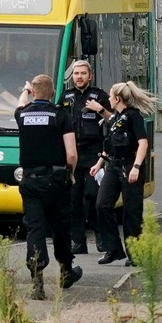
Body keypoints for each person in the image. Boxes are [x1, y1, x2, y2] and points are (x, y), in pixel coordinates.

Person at [14, 73, 83, 300]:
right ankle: (66, 272)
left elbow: (21, 104)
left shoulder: (22, 115)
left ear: (34, 93)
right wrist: (71, 174)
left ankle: (37, 282)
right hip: (56, 181)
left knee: (35, 229)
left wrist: (25, 91)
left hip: (30, 182)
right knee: (61, 227)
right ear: (53, 93)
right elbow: (71, 153)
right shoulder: (60, 115)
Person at [93, 81, 154, 264]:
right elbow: (110, 145)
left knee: (131, 211)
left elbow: (143, 143)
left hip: (130, 165)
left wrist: (136, 167)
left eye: (110, 95)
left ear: (118, 98)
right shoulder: (115, 118)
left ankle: (135, 253)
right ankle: (113, 249)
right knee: (102, 205)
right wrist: (99, 163)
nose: (109, 98)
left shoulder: (134, 117)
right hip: (113, 165)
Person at [61, 59, 108, 253]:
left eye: (83, 73)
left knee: (93, 196)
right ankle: (78, 242)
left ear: (90, 76)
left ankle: (100, 236)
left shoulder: (100, 96)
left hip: (94, 154)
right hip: (73, 154)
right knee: (74, 199)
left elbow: (115, 120)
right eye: (76, 73)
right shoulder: (66, 96)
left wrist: (100, 109)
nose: (79, 77)